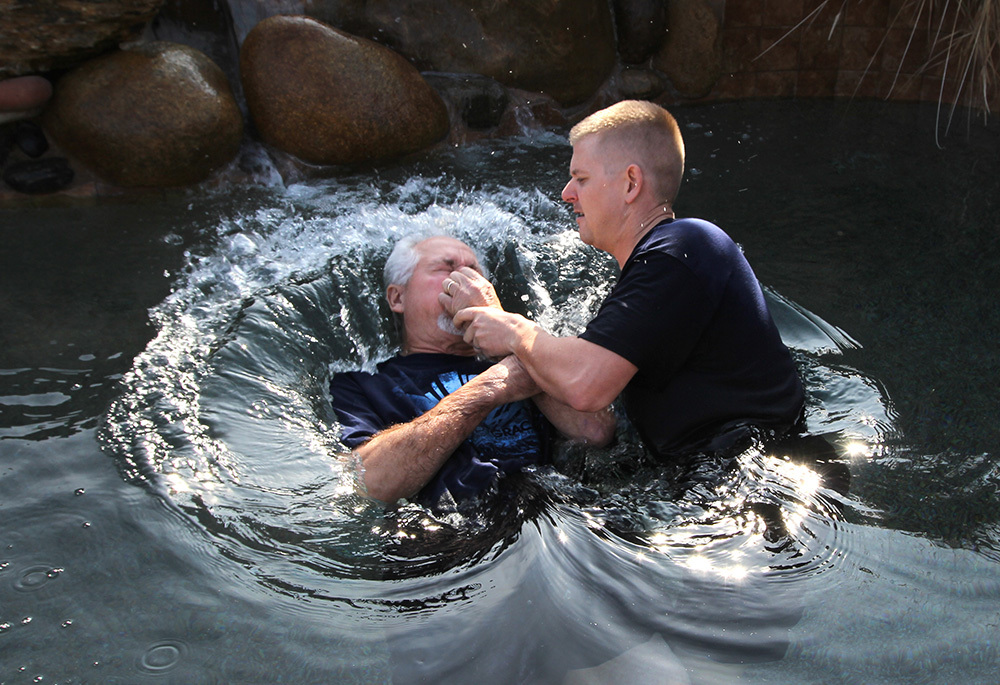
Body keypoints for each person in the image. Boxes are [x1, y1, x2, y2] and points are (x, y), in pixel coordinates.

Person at [447, 100, 805, 461]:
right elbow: (595, 424)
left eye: (581, 178)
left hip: (760, 476)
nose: (566, 193)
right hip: (721, 471)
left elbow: (587, 386)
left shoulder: (683, 249)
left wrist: (510, 328)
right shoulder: (662, 265)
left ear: (631, 183)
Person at [329, 233, 615, 505]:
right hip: (451, 538)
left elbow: (595, 431)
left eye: (475, 272)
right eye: (446, 268)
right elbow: (367, 483)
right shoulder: (360, 385)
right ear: (398, 298)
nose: (468, 282)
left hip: (561, 516)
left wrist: (509, 338)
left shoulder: (529, 354)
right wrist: (489, 389)